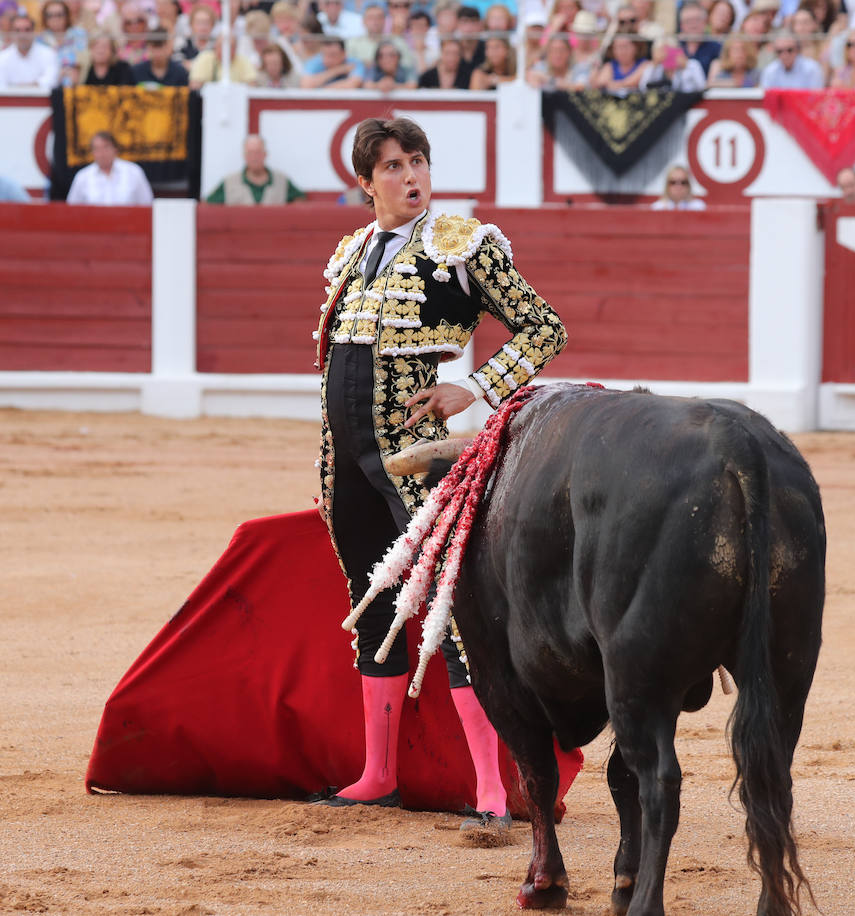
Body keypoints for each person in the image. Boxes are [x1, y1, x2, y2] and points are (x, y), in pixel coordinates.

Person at [312, 117, 568, 828]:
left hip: (420, 456)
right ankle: (378, 774)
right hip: (348, 459)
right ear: (366, 183)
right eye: (391, 166)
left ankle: (491, 787)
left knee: (453, 611)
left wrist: (477, 388)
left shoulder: (462, 244)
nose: (409, 175)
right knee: (375, 605)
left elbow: (544, 326)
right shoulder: (351, 252)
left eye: (416, 160)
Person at [204, 133, 305, 205]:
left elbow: (300, 200)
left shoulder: (281, 180)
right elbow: (208, 204)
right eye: (250, 153)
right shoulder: (229, 182)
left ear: (265, 154)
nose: (254, 157)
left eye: (258, 152)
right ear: (244, 156)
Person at [66, 131, 153, 205]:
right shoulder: (82, 176)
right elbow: (72, 209)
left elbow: (147, 205)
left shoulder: (134, 172)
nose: (102, 153)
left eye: (106, 147)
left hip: (127, 223)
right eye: (97, 149)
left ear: (115, 149)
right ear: (92, 152)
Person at [0, 13, 60, 87]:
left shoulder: (48, 54)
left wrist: (20, 88)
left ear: (34, 32)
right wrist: (32, 86)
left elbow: (51, 81)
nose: (22, 35)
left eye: (27, 30)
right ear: (12, 33)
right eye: (18, 30)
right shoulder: (2, 57)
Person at [525, 35, 591, 90]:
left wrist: (549, 80)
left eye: (562, 50)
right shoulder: (540, 66)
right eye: (554, 50)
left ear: (569, 52)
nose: (558, 55)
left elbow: (579, 87)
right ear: (548, 53)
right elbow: (529, 77)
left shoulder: (579, 68)